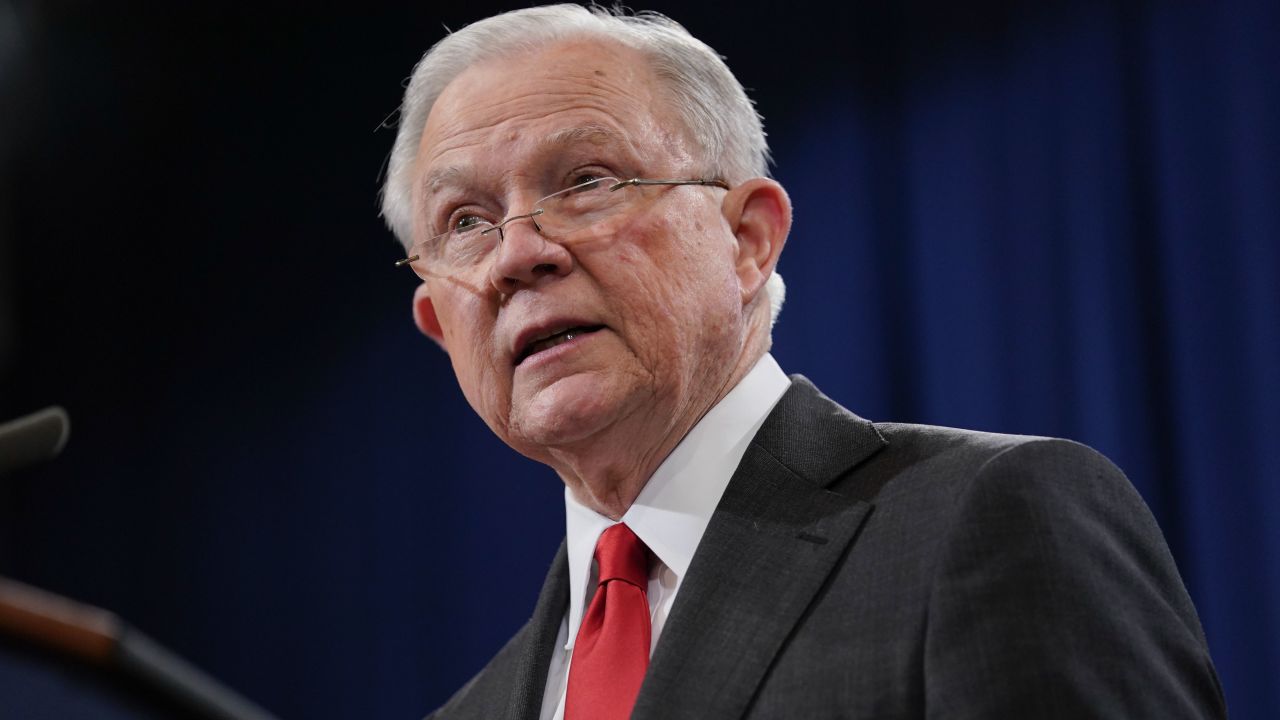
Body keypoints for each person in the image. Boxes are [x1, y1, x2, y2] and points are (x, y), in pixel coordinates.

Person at [380, 5, 1226, 719]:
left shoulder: (991, 517)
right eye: (463, 221)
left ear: (748, 240)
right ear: (439, 326)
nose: (516, 253)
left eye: (587, 180)